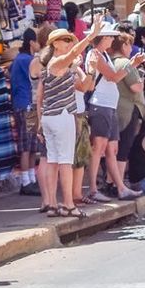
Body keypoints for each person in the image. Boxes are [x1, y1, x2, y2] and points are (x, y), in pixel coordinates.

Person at [35, 17, 105, 217]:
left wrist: (90, 69)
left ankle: (53, 205)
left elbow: (85, 87)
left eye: (69, 40)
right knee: (64, 161)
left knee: (55, 160)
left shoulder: (59, 66)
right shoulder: (57, 62)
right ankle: (67, 204)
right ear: (55, 44)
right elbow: (75, 53)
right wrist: (91, 36)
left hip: (52, 117)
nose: (69, 43)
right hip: (61, 116)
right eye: (65, 40)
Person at [85, 23, 145, 201]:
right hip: (101, 105)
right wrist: (132, 64)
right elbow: (113, 77)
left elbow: (114, 76)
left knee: (111, 149)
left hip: (108, 105)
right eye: (110, 36)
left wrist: (132, 64)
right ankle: (94, 189)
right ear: (102, 38)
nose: (113, 39)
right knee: (100, 148)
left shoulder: (104, 55)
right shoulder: (95, 54)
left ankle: (120, 188)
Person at [112, 32, 145, 191]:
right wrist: (141, 80)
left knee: (114, 148)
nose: (131, 48)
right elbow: (136, 87)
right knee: (123, 148)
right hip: (128, 109)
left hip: (115, 108)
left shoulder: (110, 61)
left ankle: (113, 183)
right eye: (129, 44)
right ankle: (120, 186)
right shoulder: (126, 63)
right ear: (123, 45)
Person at [12, 29, 41, 195]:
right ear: (31, 42)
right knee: (27, 146)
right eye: (37, 41)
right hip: (26, 106)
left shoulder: (19, 59)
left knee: (30, 145)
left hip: (23, 104)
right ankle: (26, 182)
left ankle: (30, 180)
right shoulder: (28, 60)